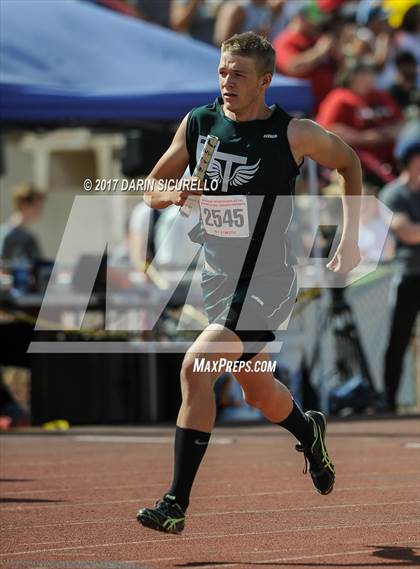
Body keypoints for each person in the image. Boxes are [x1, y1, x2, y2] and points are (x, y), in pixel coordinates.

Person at [136, 31, 362, 535]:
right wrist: (175, 190)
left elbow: (349, 161)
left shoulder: (293, 133)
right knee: (257, 390)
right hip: (218, 279)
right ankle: (308, 429)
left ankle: (175, 502)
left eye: (238, 74)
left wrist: (348, 237)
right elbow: (150, 188)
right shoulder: (199, 124)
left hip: (268, 280)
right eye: (221, 72)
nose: (226, 82)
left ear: (264, 81)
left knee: (197, 367)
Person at [316, 59, 404, 185]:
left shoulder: (381, 96)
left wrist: (381, 135)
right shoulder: (340, 98)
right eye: (362, 74)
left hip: (392, 156)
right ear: (351, 76)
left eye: (370, 73)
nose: (367, 78)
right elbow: (327, 130)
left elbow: (401, 124)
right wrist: (365, 138)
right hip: (358, 160)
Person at [380, 136, 420, 412]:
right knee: (399, 340)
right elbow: (407, 232)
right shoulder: (394, 194)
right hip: (410, 275)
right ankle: (389, 402)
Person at [272, 3, 337, 111]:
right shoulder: (285, 40)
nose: (316, 25)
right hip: (299, 109)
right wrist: (319, 52)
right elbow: (293, 67)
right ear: (299, 18)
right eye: (312, 21)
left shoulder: (315, 38)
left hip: (322, 105)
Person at [0, 184, 45, 266]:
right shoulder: (7, 235)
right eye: (37, 207)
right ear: (24, 204)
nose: (40, 211)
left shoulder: (29, 236)